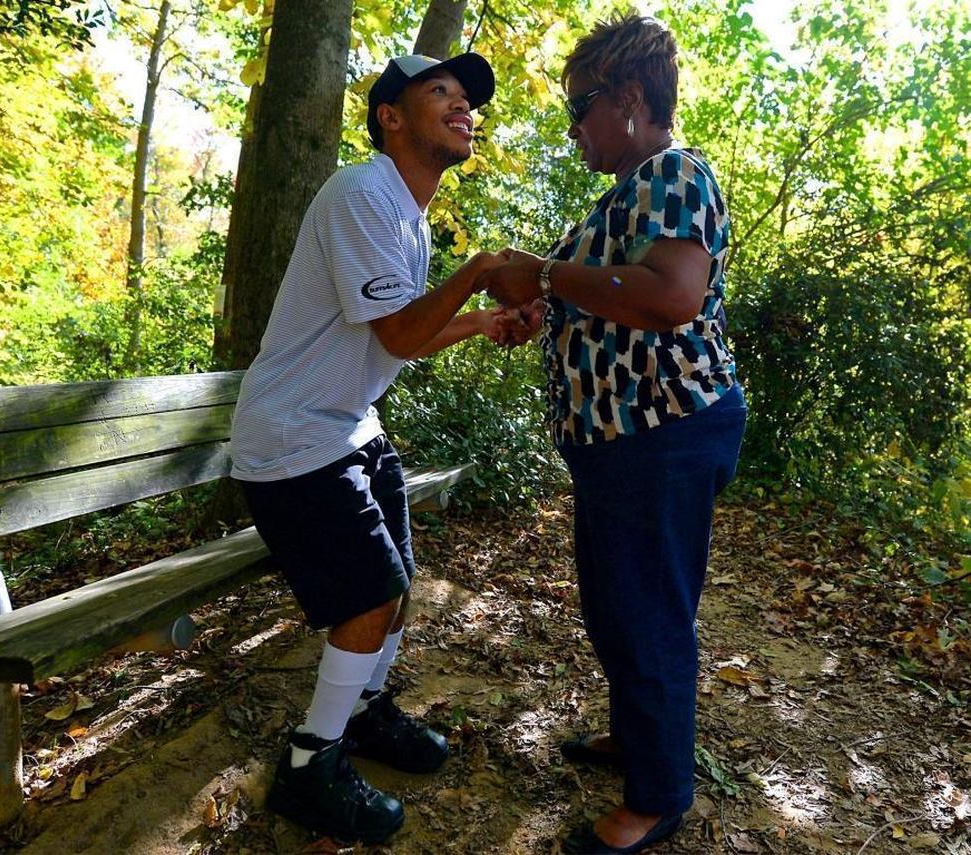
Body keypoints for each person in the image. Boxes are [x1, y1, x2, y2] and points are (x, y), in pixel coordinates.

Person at [229, 52, 528, 844]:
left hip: (348, 424)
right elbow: (399, 329)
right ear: (390, 117)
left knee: (396, 585)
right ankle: (309, 762)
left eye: (468, 99)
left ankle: (361, 711)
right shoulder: (362, 193)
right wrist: (483, 272)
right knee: (369, 594)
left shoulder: (407, 215)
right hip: (295, 433)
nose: (464, 106)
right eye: (442, 93)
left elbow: (405, 336)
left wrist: (480, 319)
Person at [480, 13, 747, 855]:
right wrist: (544, 305)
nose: (573, 127)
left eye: (580, 107)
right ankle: (641, 741)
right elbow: (609, 295)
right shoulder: (629, 190)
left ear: (629, 99)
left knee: (647, 612)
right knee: (613, 604)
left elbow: (669, 298)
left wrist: (550, 274)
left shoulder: (673, 171)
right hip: (619, 441)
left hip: (663, 433)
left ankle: (660, 793)